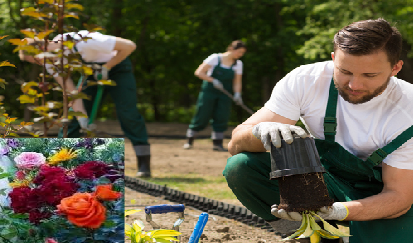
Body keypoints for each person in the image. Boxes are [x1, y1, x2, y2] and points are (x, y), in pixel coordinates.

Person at [222, 18, 413, 243]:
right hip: (332, 177)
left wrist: (337, 211)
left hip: (394, 191)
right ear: (333, 58)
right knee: (242, 167)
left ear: (396, 68)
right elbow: (235, 144)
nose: (354, 84)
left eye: (369, 75)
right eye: (344, 71)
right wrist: (258, 132)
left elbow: (398, 199)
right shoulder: (306, 80)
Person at [19, 30, 152, 177]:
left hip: (118, 68)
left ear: (42, 49)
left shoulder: (83, 41)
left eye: (37, 60)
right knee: (72, 119)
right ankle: (60, 164)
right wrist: (83, 121)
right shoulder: (51, 62)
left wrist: (107, 67)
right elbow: (72, 92)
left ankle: (144, 162)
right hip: (90, 73)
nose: (41, 64)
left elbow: (129, 46)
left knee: (127, 113)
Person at [183, 40, 247, 151]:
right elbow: (199, 72)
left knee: (222, 116)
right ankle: (189, 141)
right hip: (209, 92)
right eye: (239, 52)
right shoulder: (215, 58)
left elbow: (237, 82)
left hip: (224, 94)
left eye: (242, 53)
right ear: (231, 49)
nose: (240, 55)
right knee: (202, 114)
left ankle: (217, 144)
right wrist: (213, 80)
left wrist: (237, 94)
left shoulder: (238, 64)